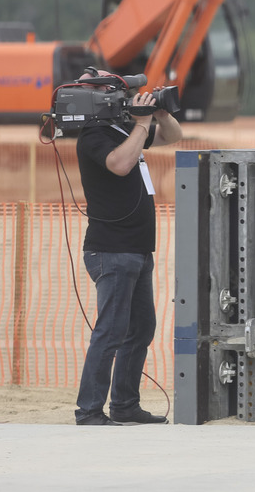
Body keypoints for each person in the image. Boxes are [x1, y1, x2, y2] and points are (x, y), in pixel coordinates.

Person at [73, 69, 182, 426]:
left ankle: (124, 405)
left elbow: (173, 137)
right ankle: (89, 410)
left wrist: (161, 115)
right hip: (111, 249)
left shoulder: (122, 130)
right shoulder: (93, 135)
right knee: (111, 330)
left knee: (140, 329)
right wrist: (140, 124)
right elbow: (119, 164)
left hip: (135, 249)